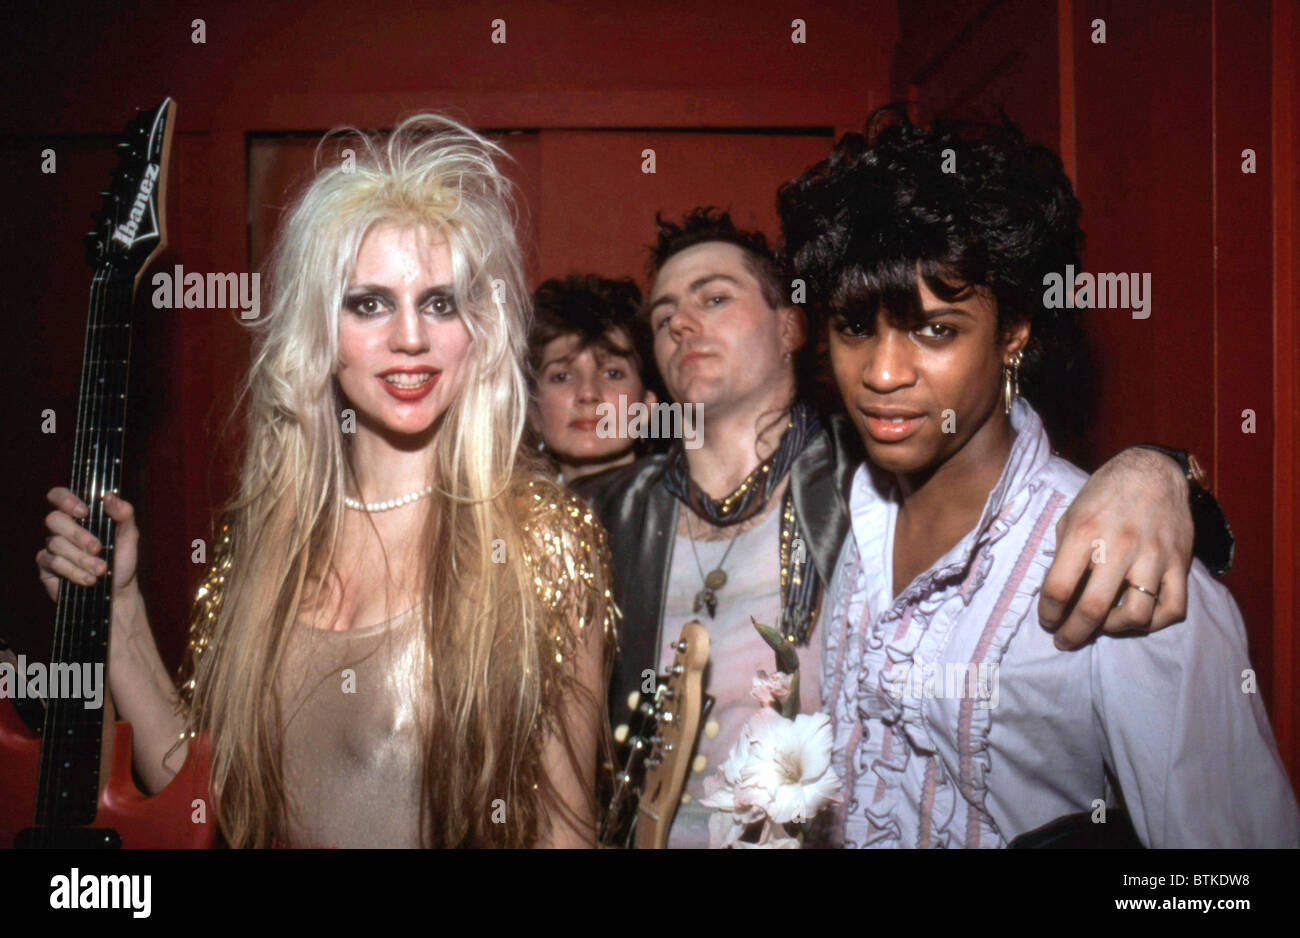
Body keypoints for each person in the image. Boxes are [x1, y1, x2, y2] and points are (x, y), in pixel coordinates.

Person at [35, 114, 616, 848]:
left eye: (439, 302)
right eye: (368, 302)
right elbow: (206, 802)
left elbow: (565, 837)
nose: (411, 337)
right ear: (318, 331)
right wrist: (118, 611)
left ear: (478, 331)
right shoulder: (269, 539)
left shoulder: (542, 546)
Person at [573, 207, 1233, 849]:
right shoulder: (608, 512)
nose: (683, 324)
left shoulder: (862, 477)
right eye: (663, 317)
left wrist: (1160, 471)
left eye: (714, 299)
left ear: (791, 329)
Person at [778, 109, 1299, 847]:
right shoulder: (859, 525)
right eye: (855, 327)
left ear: (1014, 330)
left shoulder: (1122, 570)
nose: (883, 374)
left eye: (936, 330)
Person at [529, 274, 662, 483]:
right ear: (533, 412)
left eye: (612, 373)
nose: (588, 393)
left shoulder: (683, 509)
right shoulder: (505, 513)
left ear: (646, 406)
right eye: (562, 376)